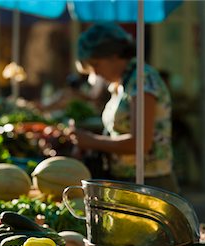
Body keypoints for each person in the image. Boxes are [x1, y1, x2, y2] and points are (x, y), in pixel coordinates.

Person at [70, 22, 180, 193]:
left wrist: (93, 141)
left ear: (114, 55)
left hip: (149, 183)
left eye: (96, 64)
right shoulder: (125, 81)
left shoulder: (142, 79)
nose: (95, 73)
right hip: (130, 181)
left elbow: (140, 144)